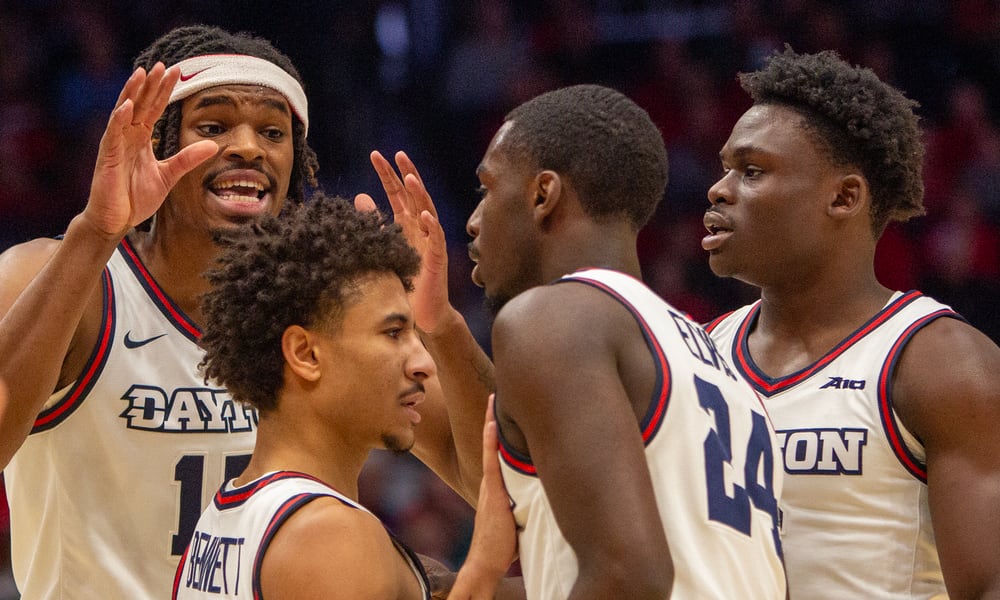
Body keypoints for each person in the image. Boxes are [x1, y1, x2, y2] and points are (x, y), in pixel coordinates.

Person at [0, 25, 487, 599]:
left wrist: (440, 325)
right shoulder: (64, 279)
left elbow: (491, 478)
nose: (249, 148)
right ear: (156, 145)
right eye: (213, 126)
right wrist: (96, 231)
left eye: (273, 132)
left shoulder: (321, 319)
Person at [452, 83, 787, 598]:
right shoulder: (714, 362)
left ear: (543, 195)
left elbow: (628, 576)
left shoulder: (550, 319)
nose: (473, 222)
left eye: (486, 190)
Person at [702, 47, 1000, 599]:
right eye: (724, 168)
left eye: (751, 170)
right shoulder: (699, 354)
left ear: (843, 197)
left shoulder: (939, 361)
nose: (719, 189)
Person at [172, 197, 431, 598]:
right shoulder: (333, 536)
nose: (422, 362)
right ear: (305, 354)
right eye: (394, 332)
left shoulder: (217, 523)